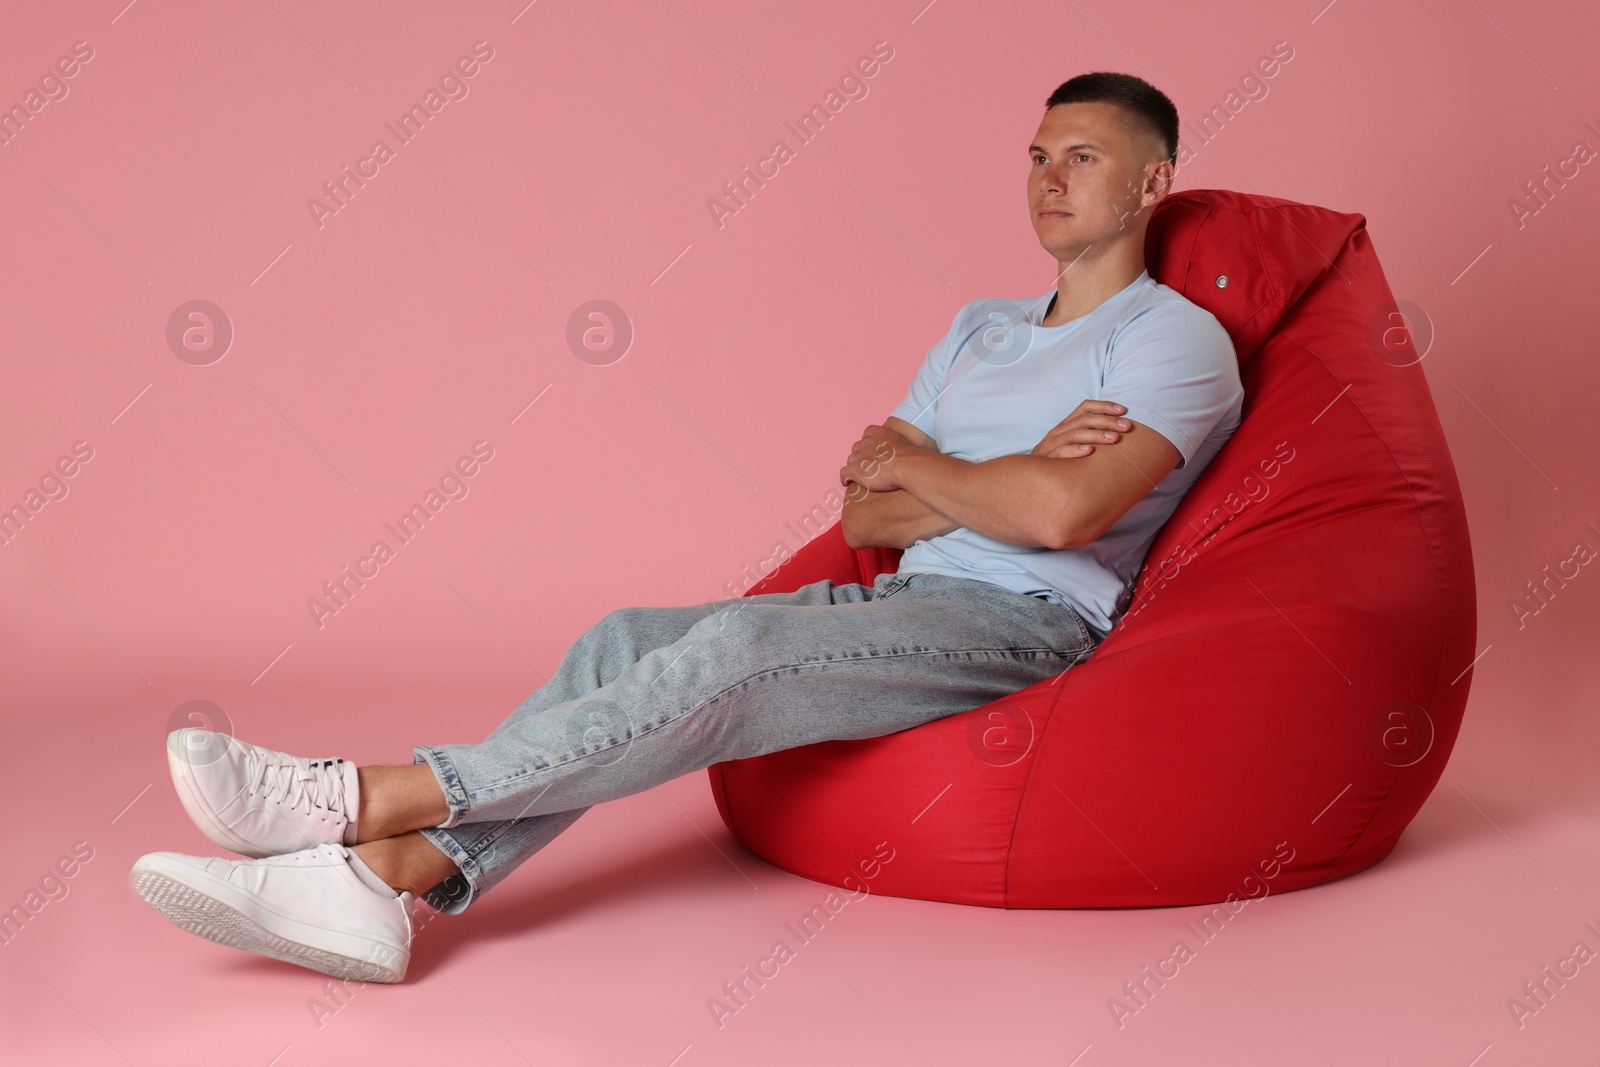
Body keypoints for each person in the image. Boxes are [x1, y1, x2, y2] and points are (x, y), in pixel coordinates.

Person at [129, 71, 1244, 984]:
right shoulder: (981, 327)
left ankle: (357, 797)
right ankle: (379, 887)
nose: (1048, 180)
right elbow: (865, 504)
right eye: (1037, 157)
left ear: (1151, 180)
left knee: (738, 653)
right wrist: (980, 472)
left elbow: (1058, 517)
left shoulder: (1171, 340)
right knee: (622, 636)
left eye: (1081, 158)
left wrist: (932, 466)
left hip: (1022, 621)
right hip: (902, 598)